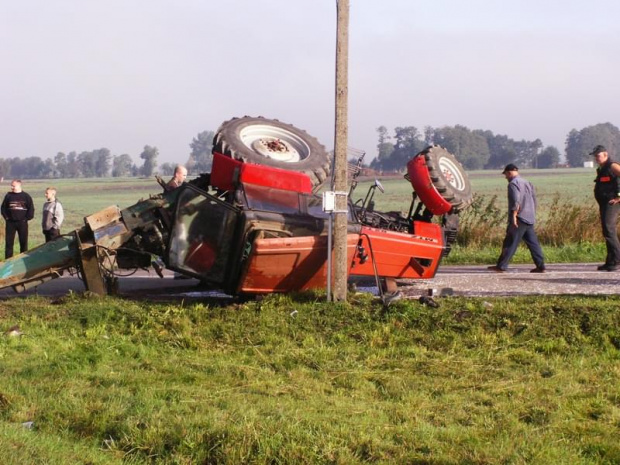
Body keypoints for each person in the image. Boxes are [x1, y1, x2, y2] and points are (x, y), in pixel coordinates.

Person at [488, 164, 546, 273]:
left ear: (509, 173)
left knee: (510, 242)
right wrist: (532, 213)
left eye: (505, 174)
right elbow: (534, 200)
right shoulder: (528, 183)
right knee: (533, 244)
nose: (505, 177)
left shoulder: (513, 184)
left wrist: (514, 216)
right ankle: (541, 266)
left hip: (519, 217)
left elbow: (516, 200)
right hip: (529, 217)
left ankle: (501, 266)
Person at [591, 145, 620, 271]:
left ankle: (617, 259)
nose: (596, 158)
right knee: (606, 231)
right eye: (595, 156)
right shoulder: (602, 168)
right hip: (604, 203)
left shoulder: (613, 166)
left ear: (605, 155)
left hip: (612, 203)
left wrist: (619, 197)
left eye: (598, 155)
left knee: (609, 230)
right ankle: (610, 261)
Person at [1, 179, 35, 259]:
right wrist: (6, 218)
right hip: (10, 223)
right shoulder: (8, 196)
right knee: (9, 243)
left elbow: (31, 209)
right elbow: (3, 208)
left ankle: (23, 259)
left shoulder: (26, 196)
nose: (11, 187)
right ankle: (8, 260)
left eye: (13, 186)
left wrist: (26, 219)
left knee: (23, 243)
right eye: (11, 185)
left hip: (22, 223)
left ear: (19, 185)